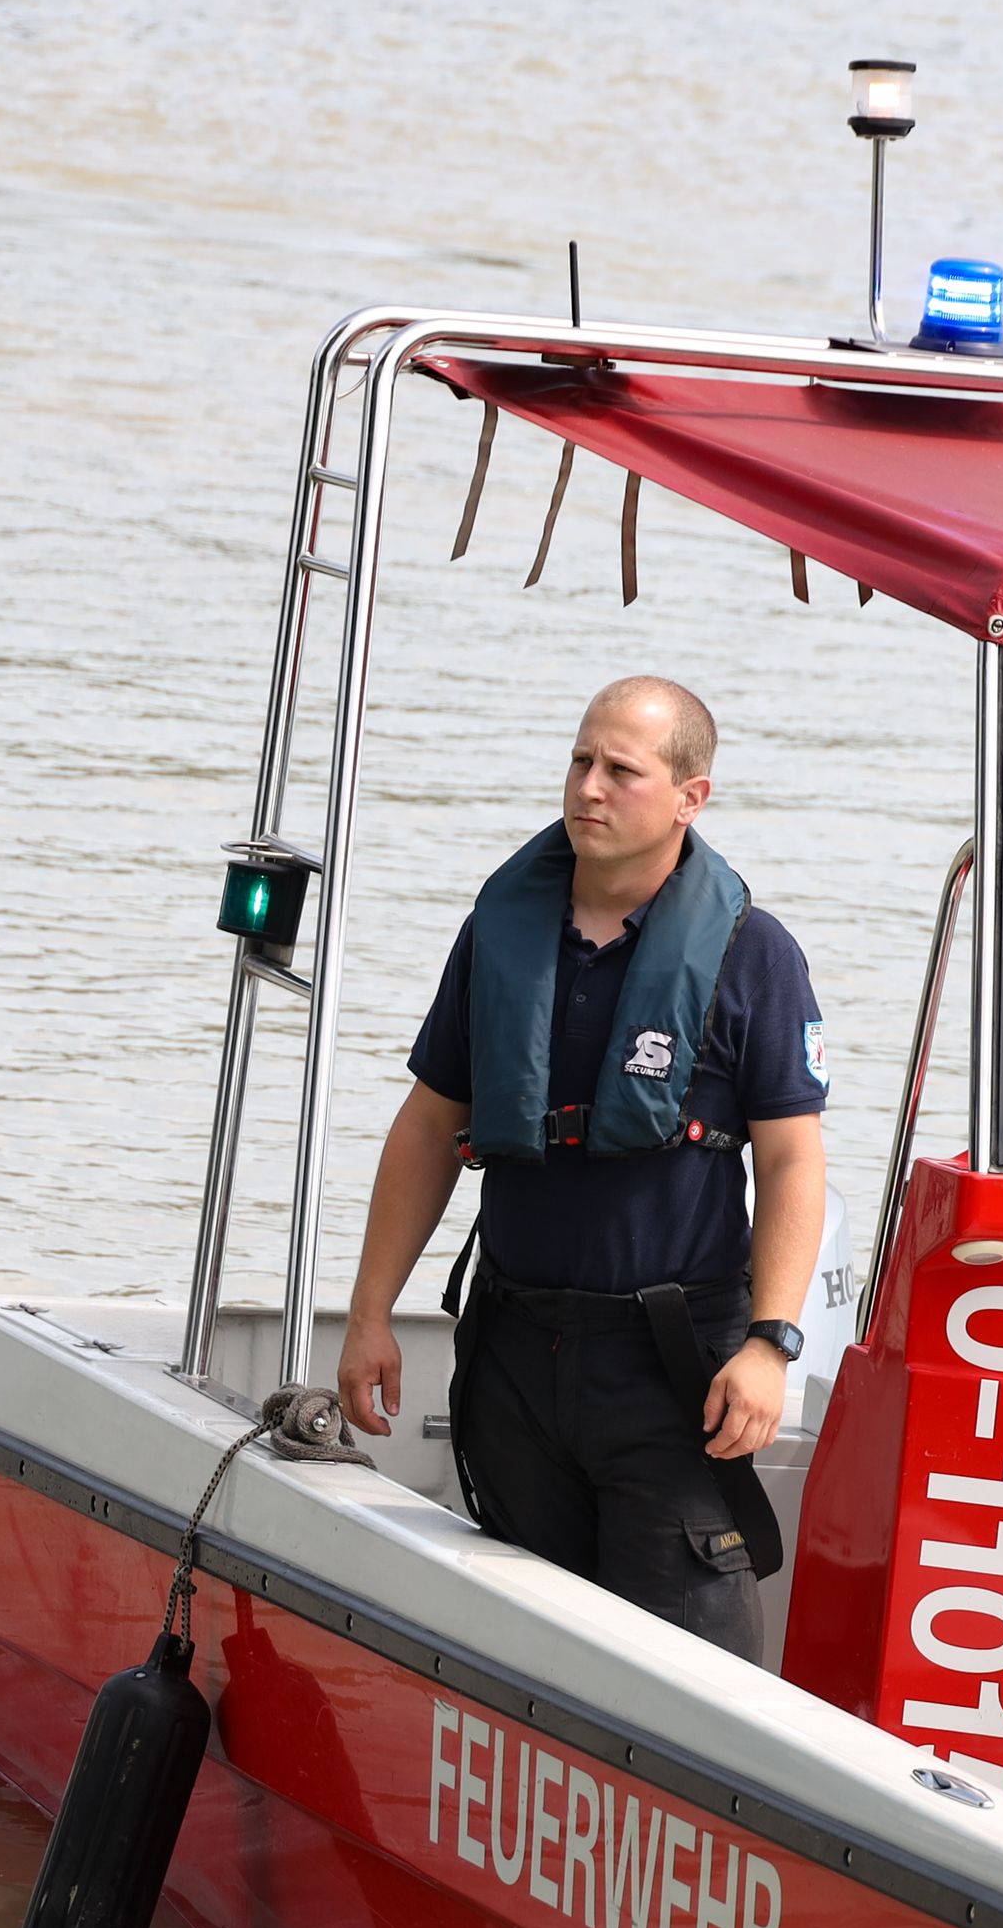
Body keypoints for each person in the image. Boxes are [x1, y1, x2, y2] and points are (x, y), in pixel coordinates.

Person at [335, 676, 830, 1656]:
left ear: (690, 797)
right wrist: (368, 1313)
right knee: (517, 1651)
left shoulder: (754, 954)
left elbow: (791, 1162)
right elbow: (429, 1126)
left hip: (671, 1370)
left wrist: (770, 1345)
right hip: (515, 1356)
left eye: (621, 770)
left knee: (686, 1671)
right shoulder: (502, 932)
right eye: (580, 761)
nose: (589, 787)